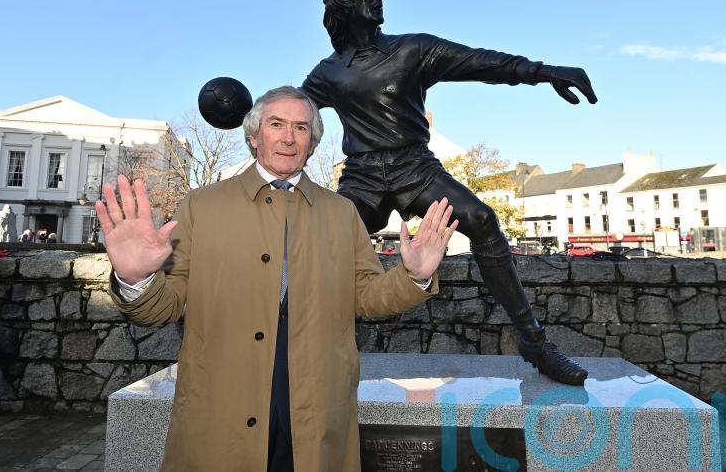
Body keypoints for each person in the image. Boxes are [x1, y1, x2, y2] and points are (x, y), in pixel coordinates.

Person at [97, 86, 457, 472]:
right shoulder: (202, 206)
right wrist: (135, 278)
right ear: (254, 136)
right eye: (277, 124)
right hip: (221, 407)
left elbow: (367, 296)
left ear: (313, 143)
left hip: (316, 408)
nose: (289, 137)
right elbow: (163, 306)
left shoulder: (341, 213)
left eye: (301, 127)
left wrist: (413, 277)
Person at [302, 0, 598, 385]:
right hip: (362, 177)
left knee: (481, 219)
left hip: (415, 168)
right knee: (313, 237)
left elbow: (480, 63)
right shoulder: (327, 73)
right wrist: (246, 113)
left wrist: (544, 71)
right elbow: (289, 112)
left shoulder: (412, 50)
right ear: (347, 3)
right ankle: (295, 347)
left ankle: (534, 342)